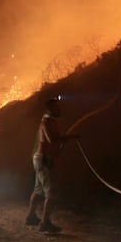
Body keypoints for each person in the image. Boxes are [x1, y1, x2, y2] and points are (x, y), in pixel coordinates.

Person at [25, 98, 77, 233]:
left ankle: (30, 217)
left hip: (41, 159)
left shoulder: (49, 121)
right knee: (51, 193)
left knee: (38, 190)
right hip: (45, 160)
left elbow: (53, 141)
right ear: (49, 109)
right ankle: (44, 223)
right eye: (56, 107)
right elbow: (51, 139)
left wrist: (65, 139)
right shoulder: (47, 121)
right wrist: (70, 137)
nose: (59, 109)